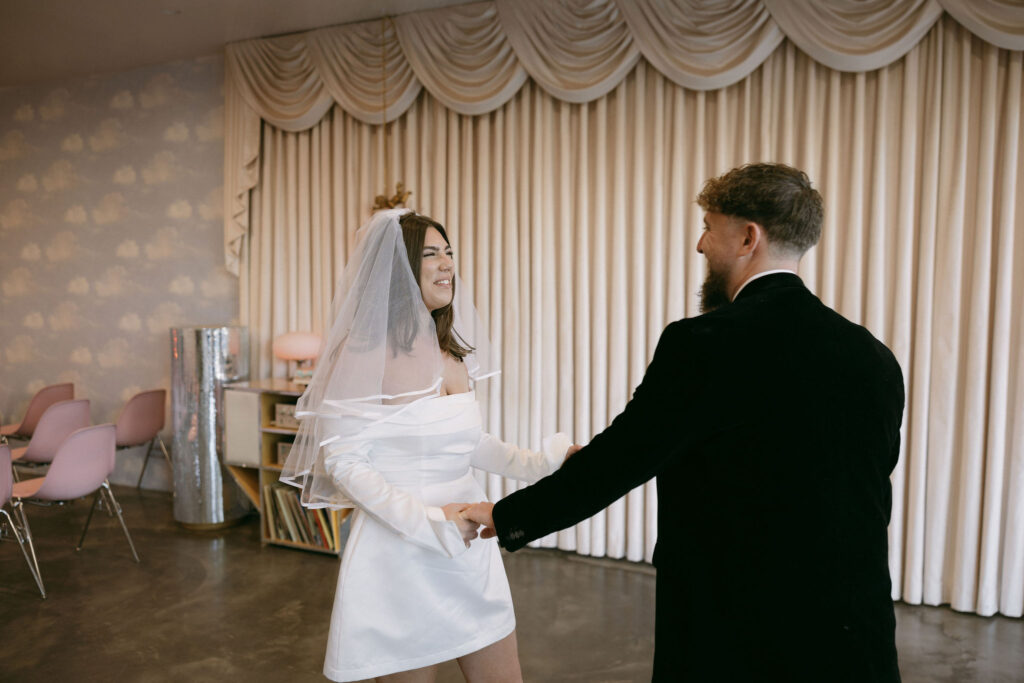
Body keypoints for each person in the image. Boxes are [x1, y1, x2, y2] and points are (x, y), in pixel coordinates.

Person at [463, 163, 906, 682]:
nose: (700, 246)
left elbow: (619, 461)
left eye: (708, 228)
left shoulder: (703, 344)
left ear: (747, 238)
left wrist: (507, 514)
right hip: (855, 627)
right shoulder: (874, 357)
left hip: (739, 627)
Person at [281, 209, 572, 682]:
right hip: (401, 553)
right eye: (431, 254)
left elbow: (468, 444)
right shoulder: (358, 355)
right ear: (398, 270)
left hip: (468, 548)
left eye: (449, 252)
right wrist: (431, 523)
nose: (447, 264)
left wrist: (545, 464)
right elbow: (344, 461)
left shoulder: (448, 352)